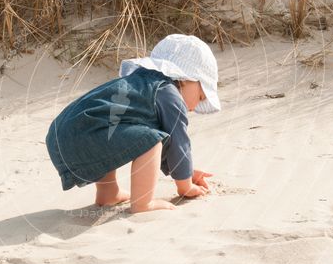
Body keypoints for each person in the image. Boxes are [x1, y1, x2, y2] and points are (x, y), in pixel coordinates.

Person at [45, 33, 221, 213]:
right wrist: (185, 185)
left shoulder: (140, 83)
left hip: (60, 133)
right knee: (151, 141)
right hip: (84, 134)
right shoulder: (169, 93)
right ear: (186, 78)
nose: (196, 105)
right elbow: (178, 142)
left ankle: (108, 193)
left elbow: (168, 148)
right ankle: (143, 204)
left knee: (114, 125)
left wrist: (188, 171)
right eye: (201, 96)